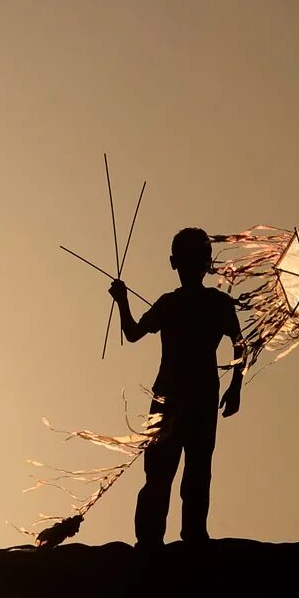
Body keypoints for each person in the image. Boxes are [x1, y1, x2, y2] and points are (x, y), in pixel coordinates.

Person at [108, 228, 244, 548]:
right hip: (193, 396)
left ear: (173, 263)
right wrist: (236, 386)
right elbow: (241, 346)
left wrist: (122, 301)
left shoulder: (175, 304)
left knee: (169, 472)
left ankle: (160, 541)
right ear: (207, 264)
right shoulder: (213, 303)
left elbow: (131, 332)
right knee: (186, 472)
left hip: (175, 396)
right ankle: (185, 538)